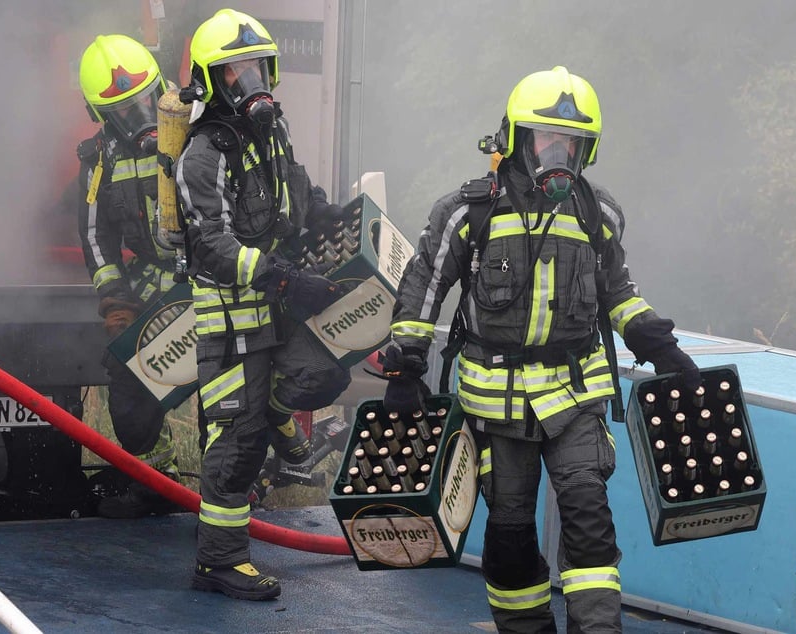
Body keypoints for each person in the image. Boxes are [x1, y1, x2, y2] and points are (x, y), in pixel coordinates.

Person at [382, 66, 701, 632]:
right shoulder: (469, 212)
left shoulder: (596, 214)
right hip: (496, 405)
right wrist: (406, 363)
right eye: (548, 139)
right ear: (515, 140)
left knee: (588, 518)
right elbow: (424, 285)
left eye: (572, 144)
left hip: (575, 393)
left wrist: (650, 336)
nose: (560, 153)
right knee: (508, 533)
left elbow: (617, 292)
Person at [174, 8, 351, 600]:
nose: (249, 80)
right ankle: (219, 562)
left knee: (324, 372)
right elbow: (213, 245)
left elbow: (294, 188)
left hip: (277, 305)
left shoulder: (273, 130)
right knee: (235, 441)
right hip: (231, 322)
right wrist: (279, 277)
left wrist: (322, 213)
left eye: (255, 66)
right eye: (233, 71)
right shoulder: (203, 153)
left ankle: (276, 413)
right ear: (211, 81)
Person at [76, 34, 182, 519]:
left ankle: (236, 485)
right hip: (151, 281)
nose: (141, 118)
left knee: (228, 395)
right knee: (131, 389)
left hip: (213, 280)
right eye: (123, 110)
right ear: (100, 116)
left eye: (145, 101)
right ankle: (156, 481)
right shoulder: (101, 159)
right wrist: (117, 302)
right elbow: (96, 237)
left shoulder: (197, 127)